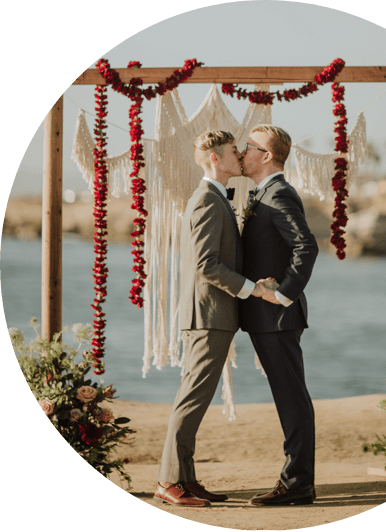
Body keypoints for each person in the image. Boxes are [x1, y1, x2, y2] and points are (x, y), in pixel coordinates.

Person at [153, 130, 278, 507]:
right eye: (233, 152)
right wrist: (253, 289)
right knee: (191, 398)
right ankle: (169, 481)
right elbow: (207, 265)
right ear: (215, 159)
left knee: (196, 397)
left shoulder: (214, 198)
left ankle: (186, 480)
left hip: (214, 314)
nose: (240, 157)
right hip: (207, 314)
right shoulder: (207, 200)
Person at [239, 124, 319, 506]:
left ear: (267, 156)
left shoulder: (279, 193)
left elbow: (306, 245)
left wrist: (283, 294)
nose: (242, 153)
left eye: (248, 147)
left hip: (278, 317)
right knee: (290, 397)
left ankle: (297, 484)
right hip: (266, 318)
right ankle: (298, 480)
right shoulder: (264, 193)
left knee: (291, 399)